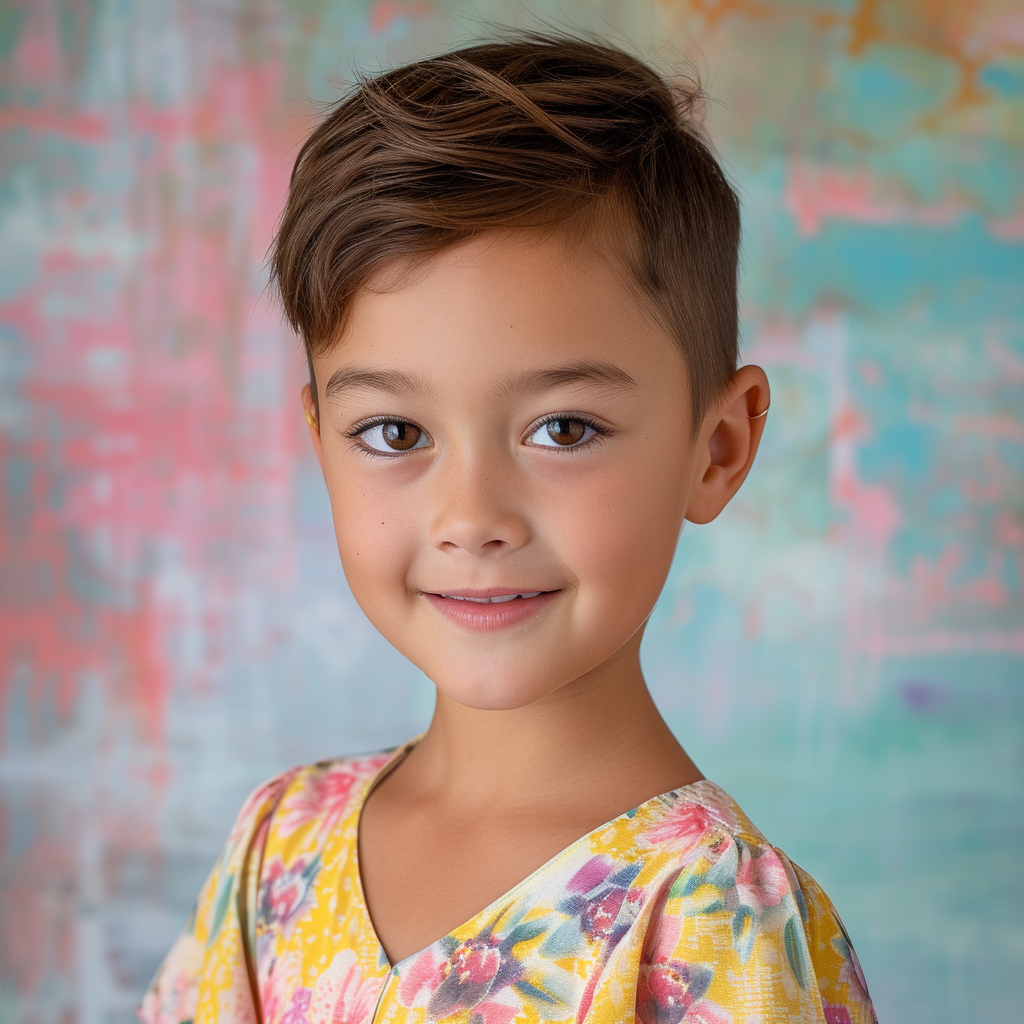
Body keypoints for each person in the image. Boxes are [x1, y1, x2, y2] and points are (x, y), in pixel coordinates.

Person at [140, 34, 876, 1024]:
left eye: (562, 428)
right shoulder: (279, 844)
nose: (472, 517)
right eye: (395, 432)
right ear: (319, 440)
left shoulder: (710, 926)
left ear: (717, 447)